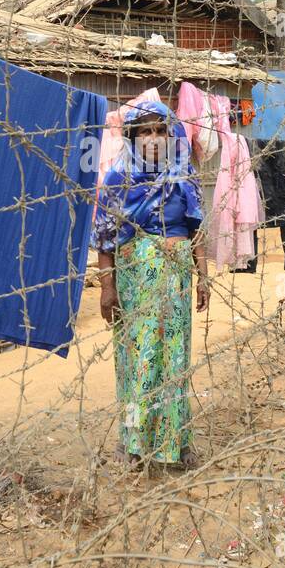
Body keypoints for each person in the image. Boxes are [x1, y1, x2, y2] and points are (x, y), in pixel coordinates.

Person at [93, 100, 209, 467]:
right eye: (146, 131)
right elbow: (104, 238)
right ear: (132, 136)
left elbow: (196, 228)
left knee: (174, 360)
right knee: (139, 360)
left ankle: (177, 443)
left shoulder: (183, 175)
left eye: (161, 130)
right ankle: (134, 444)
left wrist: (203, 273)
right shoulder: (118, 178)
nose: (154, 138)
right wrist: (107, 288)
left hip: (175, 281)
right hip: (134, 283)